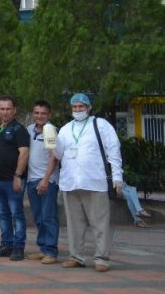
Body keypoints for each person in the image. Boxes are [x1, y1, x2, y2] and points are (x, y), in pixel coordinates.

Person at [52, 93, 124, 272]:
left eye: (81, 106)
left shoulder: (100, 125)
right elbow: (59, 155)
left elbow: (113, 150)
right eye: (74, 107)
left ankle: (102, 258)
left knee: (99, 223)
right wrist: (52, 144)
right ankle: (76, 256)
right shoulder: (65, 129)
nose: (77, 110)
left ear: (88, 107)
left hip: (93, 181)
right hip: (70, 182)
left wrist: (117, 176)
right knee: (74, 224)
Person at [0, 96, 30, 261]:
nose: (5, 112)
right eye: (2, 109)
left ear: (14, 110)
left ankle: (18, 247)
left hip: (13, 180)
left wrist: (18, 176)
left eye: (8, 109)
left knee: (16, 214)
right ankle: (7, 244)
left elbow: (24, 153)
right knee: (3, 214)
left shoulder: (19, 130)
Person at [26, 100, 61, 263]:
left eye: (43, 113)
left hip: (47, 180)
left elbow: (54, 157)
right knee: (39, 216)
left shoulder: (50, 130)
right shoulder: (29, 130)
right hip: (32, 180)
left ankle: (51, 251)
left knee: (49, 216)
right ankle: (43, 247)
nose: (39, 116)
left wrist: (46, 180)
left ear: (49, 115)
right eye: (37, 113)